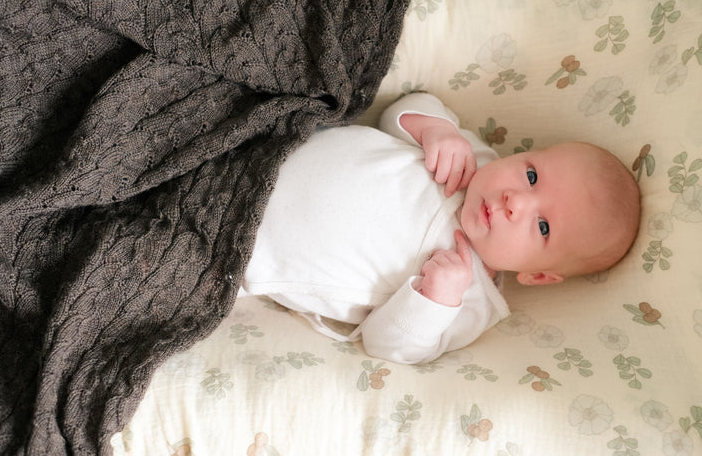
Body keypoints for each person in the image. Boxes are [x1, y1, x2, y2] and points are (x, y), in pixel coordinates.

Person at [242, 92, 640, 364]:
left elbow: (388, 346)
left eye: (542, 226)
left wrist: (433, 301)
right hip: (274, 142)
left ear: (536, 274)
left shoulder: (470, 305)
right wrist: (436, 129)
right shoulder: (473, 159)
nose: (515, 200)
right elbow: (400, 110)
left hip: (247, 244)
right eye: (532, 176)